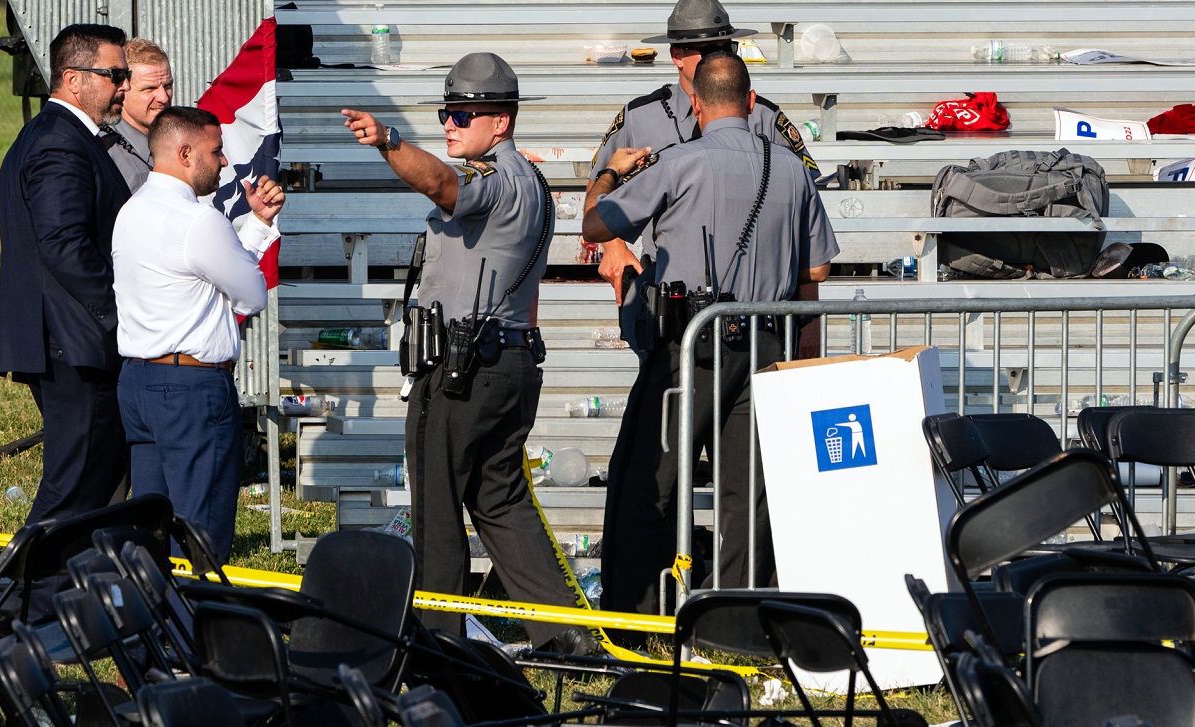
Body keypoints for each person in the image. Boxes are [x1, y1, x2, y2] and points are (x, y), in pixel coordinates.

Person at [340, 53, 595, 653]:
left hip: (462, 369)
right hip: (501, 359)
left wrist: (389, 139)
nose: (450, 124)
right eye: (445, 113)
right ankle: (564, 636)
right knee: (500, 499)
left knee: (436, 505)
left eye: (462, 114)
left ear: (500, 122)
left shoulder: (496, 180)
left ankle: (438, 644)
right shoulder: (529, 183)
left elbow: (439, 183)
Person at [583, 53, 837, 617]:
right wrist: (805, 355)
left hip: (690, 347)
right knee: (747, 494)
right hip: (769, 344)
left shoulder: (679, 162)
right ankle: (736, 623)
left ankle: (635, 619)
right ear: (751, 102)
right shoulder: (791, 168)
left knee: (648, 480)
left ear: (695, 104)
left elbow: (595, 225)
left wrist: (610, 174)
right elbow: (814, 274)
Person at [112, 107, 284, 563]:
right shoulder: (198, 221)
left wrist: (256, 224)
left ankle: (149, 628)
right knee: (199, 535)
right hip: (191, 389)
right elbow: (250, 295)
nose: (225, 161)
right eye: (217, 150)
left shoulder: (131, 210)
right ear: (185, 154)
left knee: (148, 532)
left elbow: (211, 279)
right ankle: (194, 630)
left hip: (138, 383)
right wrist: (257, 231)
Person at [0, 24, 134, 542]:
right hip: (73, 344)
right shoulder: (59, 143)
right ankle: (14, 601)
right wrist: (121, 313)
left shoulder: (59, 136)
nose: (123, 85)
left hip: (66, 339)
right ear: (74, 79)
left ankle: (60, 597)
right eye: (114, 74)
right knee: (71, 491)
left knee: (88, 486)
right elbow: (64, 245)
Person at [590, 0, 818, 307]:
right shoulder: (640, 116)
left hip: (754, 298)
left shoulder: (764, 116)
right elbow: (600, 185)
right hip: (671, 295)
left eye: (725, 47)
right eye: (706, 49)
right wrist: (615, 247)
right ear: (676, 55)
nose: (718, 57)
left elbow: (804, 216)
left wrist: (808, 316)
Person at [104, 38, 172, 192]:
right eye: (149, 88)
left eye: (168, 85)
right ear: (123, 89)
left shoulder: (180, 139)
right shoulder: (106, 153)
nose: (164, 98)